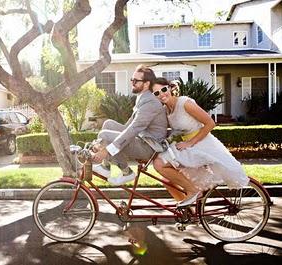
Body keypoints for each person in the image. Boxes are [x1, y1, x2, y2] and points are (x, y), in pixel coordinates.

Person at [152, 78, 249, 207]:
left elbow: (210, 123)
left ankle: (193, 192)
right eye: (156, 93)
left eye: (163, 89)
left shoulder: (185, 103)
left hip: (201, 144)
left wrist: (190, 142)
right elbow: (173, 131)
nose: (162, 94)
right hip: (186, 146)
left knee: (159, 164)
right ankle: (188, 212)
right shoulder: (166, 109)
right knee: (167, 180)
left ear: (170, 88)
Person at [91, 65, 168, 186]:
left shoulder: (151, 102)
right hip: (142, 139)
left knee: (104, 134)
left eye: (136, 81)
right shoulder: (142, 98)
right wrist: (105, 144)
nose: (132, 83)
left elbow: (134, 129)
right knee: (108, 124)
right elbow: (128, 126)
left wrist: (108, 149)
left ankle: (126, 172)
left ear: (147, 84)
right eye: (132, 80)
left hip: (149, 147)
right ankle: (106, 167)